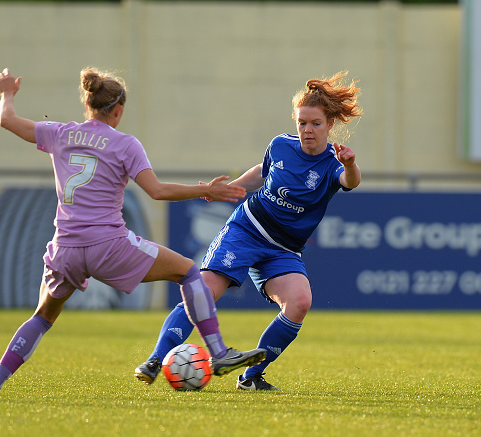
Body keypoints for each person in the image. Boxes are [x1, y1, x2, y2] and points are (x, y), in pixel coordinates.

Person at [0, 67, 266, 396]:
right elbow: (157, 191)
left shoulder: (60, 133)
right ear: (119, 109)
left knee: (41, 318)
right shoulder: (126, 144)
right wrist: (205, 191)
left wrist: (7, 93)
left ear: (88, 104)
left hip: (65, 249)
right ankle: (220, 353)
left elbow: (7, 120)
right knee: (188, 271)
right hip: (108, 245)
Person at [135, 71, 362, 391]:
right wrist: (230, 189)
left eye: (315, 124)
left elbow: (350, 182)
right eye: (302, 123)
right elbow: (262, 172)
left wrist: (351, 164)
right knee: (204, 291)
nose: (307, 130)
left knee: (300, 302)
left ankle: (251, 377)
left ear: (330, 125)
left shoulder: (333, 163)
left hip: (284, 249)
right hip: (247, 230)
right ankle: (156, 360)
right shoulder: (281, 146)